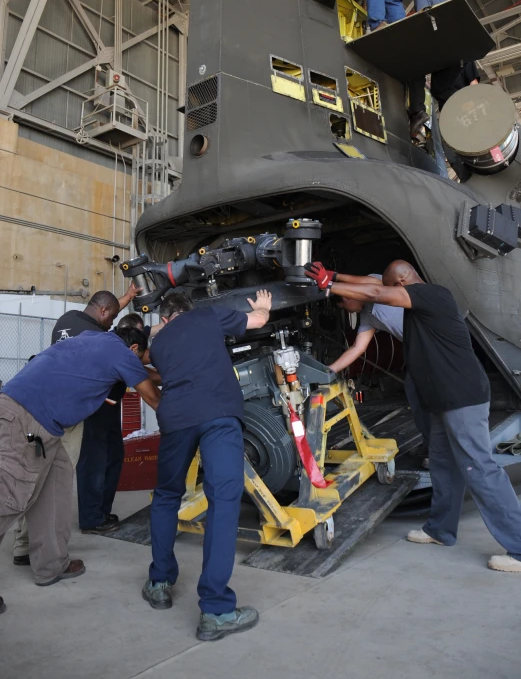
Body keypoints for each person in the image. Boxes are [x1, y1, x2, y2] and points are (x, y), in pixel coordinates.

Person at [305, 260, 521, 572]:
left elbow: (377, 291)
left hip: (460, 396)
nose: (392, 297)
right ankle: (440, 530)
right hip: (438, 396)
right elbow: (372, 288)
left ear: (403, 283)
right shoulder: (411, 300)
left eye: (395, 290)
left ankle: (518, 548)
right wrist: (334, 277)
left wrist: (328, 285)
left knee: (480, 467)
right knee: (443, 463)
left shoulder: (434, 295)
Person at [0, 326, 160, 613]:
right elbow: (152, 397)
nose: (144, 363)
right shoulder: (122, 354)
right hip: (24, 420)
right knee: (9, 499)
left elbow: (146, 374)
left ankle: (50, 565)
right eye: (145, 358)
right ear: (134, 350)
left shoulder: (94, 338)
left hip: (45, 427)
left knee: (56, 486)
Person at [143, 289, 272, 641]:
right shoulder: (207, 315)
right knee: (223, 502)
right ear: (188, 310)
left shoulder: (158, 344)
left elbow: (152, 346)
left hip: (177, 417)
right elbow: (259, 321)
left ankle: (159, 582)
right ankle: (215, 611)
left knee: (167, 495)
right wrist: (263, 305)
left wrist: (155, 329)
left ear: (165, 319)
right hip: (218, 414)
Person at [12, 287, 142, 564]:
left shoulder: (66, 320)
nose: (111, 324)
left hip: (39, 408)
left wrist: (128, 297)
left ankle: (24, 547)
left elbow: (106, 305)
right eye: (112, 317)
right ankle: (42, 552)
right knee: (53, 484)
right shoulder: (97, 337)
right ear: (104, 312)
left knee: (34, 480)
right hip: (66, 416)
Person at [327, 270, 430, 442]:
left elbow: (374, 286)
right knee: (417, 398)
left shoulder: (377, 283)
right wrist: (329, 370)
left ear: (346, 298)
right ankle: (431, 444)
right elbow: (357, 348)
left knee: (438, 401)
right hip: (418, 353)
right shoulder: (368, 316)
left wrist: (334, 277)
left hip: (434, 344)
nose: (348, 311)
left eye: (344, 307)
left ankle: (444, 446)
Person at [407, 0, 480, 142]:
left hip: (442, 46)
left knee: (413, 67)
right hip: (458, 52)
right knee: (442, 90)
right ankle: (464, 127)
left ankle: (417, 112)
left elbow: (424, 17)